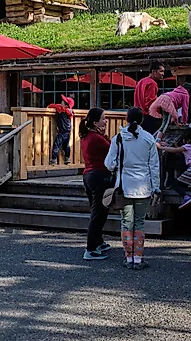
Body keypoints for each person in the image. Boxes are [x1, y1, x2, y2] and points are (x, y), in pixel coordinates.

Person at [105, 107, 161, 270]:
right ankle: (138, 257)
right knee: (139, 223)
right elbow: (154, 167)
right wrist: (155, 187)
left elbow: (109, 163)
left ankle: (128, 257)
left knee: (126, 223)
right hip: (144, 187)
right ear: (142, 120)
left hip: (124, 187)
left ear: (127, 119)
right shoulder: (148, 139)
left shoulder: (119, 138)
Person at [79, 108, 113, 261]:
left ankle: (98, 241)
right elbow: (113, 150)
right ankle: (91, 248)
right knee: (98, 213)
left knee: (99, 211)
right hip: (99, 176)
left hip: (89, 176)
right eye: (103, 118)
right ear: (95, 122)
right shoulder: (96, 138)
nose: (106, 121)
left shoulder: (87, 136)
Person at [158, 128, 191, 209]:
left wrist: (161, 148)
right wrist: (177, 146)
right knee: (184, 183)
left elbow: (175, 150)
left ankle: (186, 197)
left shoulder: (187, 146)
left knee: (173, 183)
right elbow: (183, 153)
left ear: (188, 140)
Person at [134, 61, 165, 134]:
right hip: (148, 118)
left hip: (138, 116)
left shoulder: (141, 81)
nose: (163, 74)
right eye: (161, 71)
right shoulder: (152, 83)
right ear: (154, 72)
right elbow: (151, 103)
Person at [46, 95, 74, 165]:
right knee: (66, 146)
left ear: (66, 105)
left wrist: (49, 106)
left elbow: (51, 106)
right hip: (68, 131)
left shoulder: (61, 109)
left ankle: (53, 159)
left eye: (63, 101)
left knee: (56, 145)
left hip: (62, 131)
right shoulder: (70, 111)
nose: (61, 101)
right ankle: (67, 158)